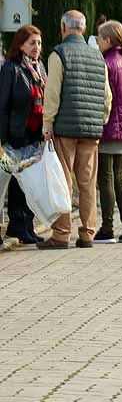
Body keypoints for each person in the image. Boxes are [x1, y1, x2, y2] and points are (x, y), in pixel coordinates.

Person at [39, 10, 113, 249]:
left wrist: (47, 124)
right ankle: (87, 233)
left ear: (63, 27)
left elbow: (52, 94)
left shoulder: (58, 54)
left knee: (64, 182)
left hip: (65, 129)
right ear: (84, 28)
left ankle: (61, 234)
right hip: (91, 131)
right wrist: (99, 120)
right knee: (87, 183)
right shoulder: (97, 56)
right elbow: (107, 97)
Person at [0, 25, 48, 245]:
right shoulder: (11, 68)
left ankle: (26, 225)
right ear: (20, 45)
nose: (36, 47)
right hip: (16, 133)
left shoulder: (40, 68)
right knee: (15, 182)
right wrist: (4, 137)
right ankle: (17, 224)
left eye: (39, 43)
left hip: (35, 134)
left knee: (29, 182)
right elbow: (3, 105)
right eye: (32, 43)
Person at [95, 20, 122, 243]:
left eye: (100, 38)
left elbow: (103, 99)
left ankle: (107, 228)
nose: (97, 41)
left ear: (108, 40)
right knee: (120, 178)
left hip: (108, 125)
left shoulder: (105, 63)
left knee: (106, 178)